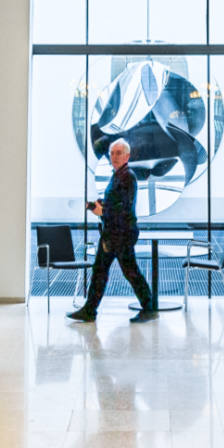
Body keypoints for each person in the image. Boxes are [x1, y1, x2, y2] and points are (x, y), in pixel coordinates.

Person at [69, 137, 156, 323]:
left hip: (120, 234)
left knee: (128, 272)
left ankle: (148, 307)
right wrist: (98, 206)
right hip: (114, 233)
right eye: (112, 153)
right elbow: (115, 203)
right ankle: (90, 310)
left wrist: (103, 210)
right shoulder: (119, 175)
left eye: (118, 153)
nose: (114, 157)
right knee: (103, 271)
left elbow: (124, 207)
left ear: (127, 156)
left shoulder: (127, 176)